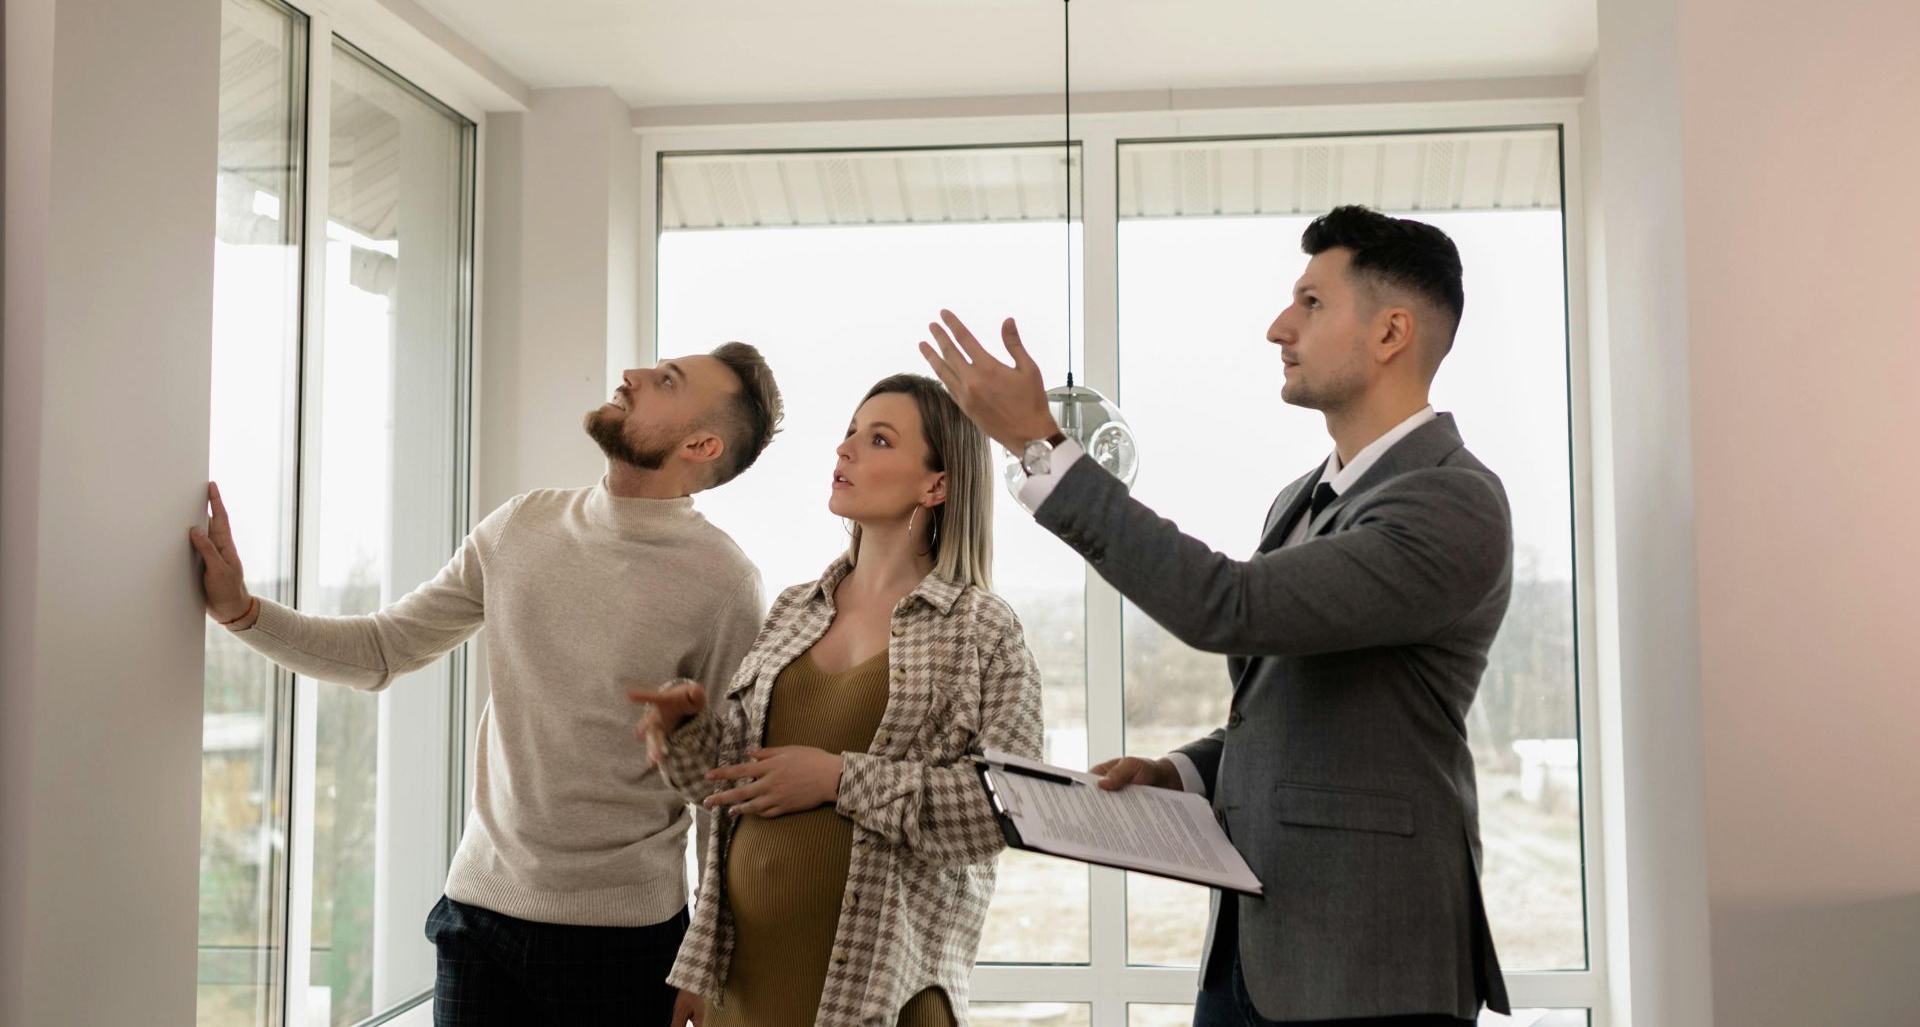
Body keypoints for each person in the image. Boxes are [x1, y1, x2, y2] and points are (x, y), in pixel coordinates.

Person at [921, 205, 1515, 1026]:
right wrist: (1185, 772)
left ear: (1391, 334)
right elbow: (1302, 702)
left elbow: (1227, 606)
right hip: (1255, 945)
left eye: (1311, 302)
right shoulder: (1299, 500)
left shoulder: (1451, 502)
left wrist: (1045, 449)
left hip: (1371, 963)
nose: (1279, 326)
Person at [189, 345, 784, 1026]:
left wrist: (708, 966)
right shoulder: (521, 526)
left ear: (700, 443)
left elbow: (724, 797)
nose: (632, 375)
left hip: (623, 944)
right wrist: (242, 612)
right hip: (477, 920)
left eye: (666, 381)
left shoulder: (727, 585)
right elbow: (386, 648)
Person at [632, 373, 1043, 1027]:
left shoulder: (982, 630)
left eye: (877, 439)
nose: (845, 450)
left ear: (936, 485)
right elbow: (729, 788)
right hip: (740, 987)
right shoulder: (795, 608)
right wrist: (686, 732)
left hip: (883, 996)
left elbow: (1010, 811)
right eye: (849, 432)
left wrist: (837, 778)